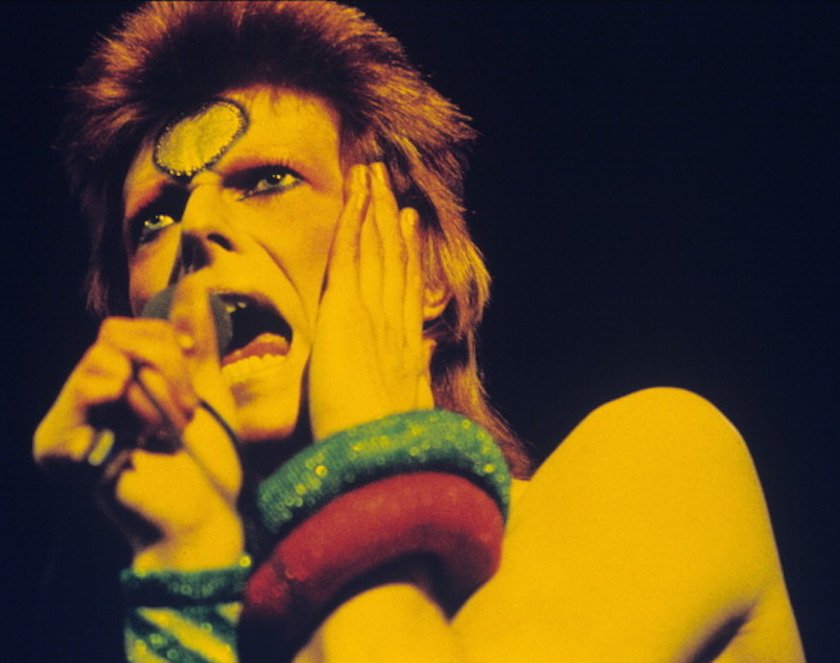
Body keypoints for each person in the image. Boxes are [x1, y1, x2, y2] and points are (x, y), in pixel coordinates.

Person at [33, 1, 805, 661]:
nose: (195, 227)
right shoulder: (220, 621)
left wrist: (367, 447)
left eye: (268, 180)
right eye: (153, 220)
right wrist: (184, 557)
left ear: (424, 267)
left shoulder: (661, 470)